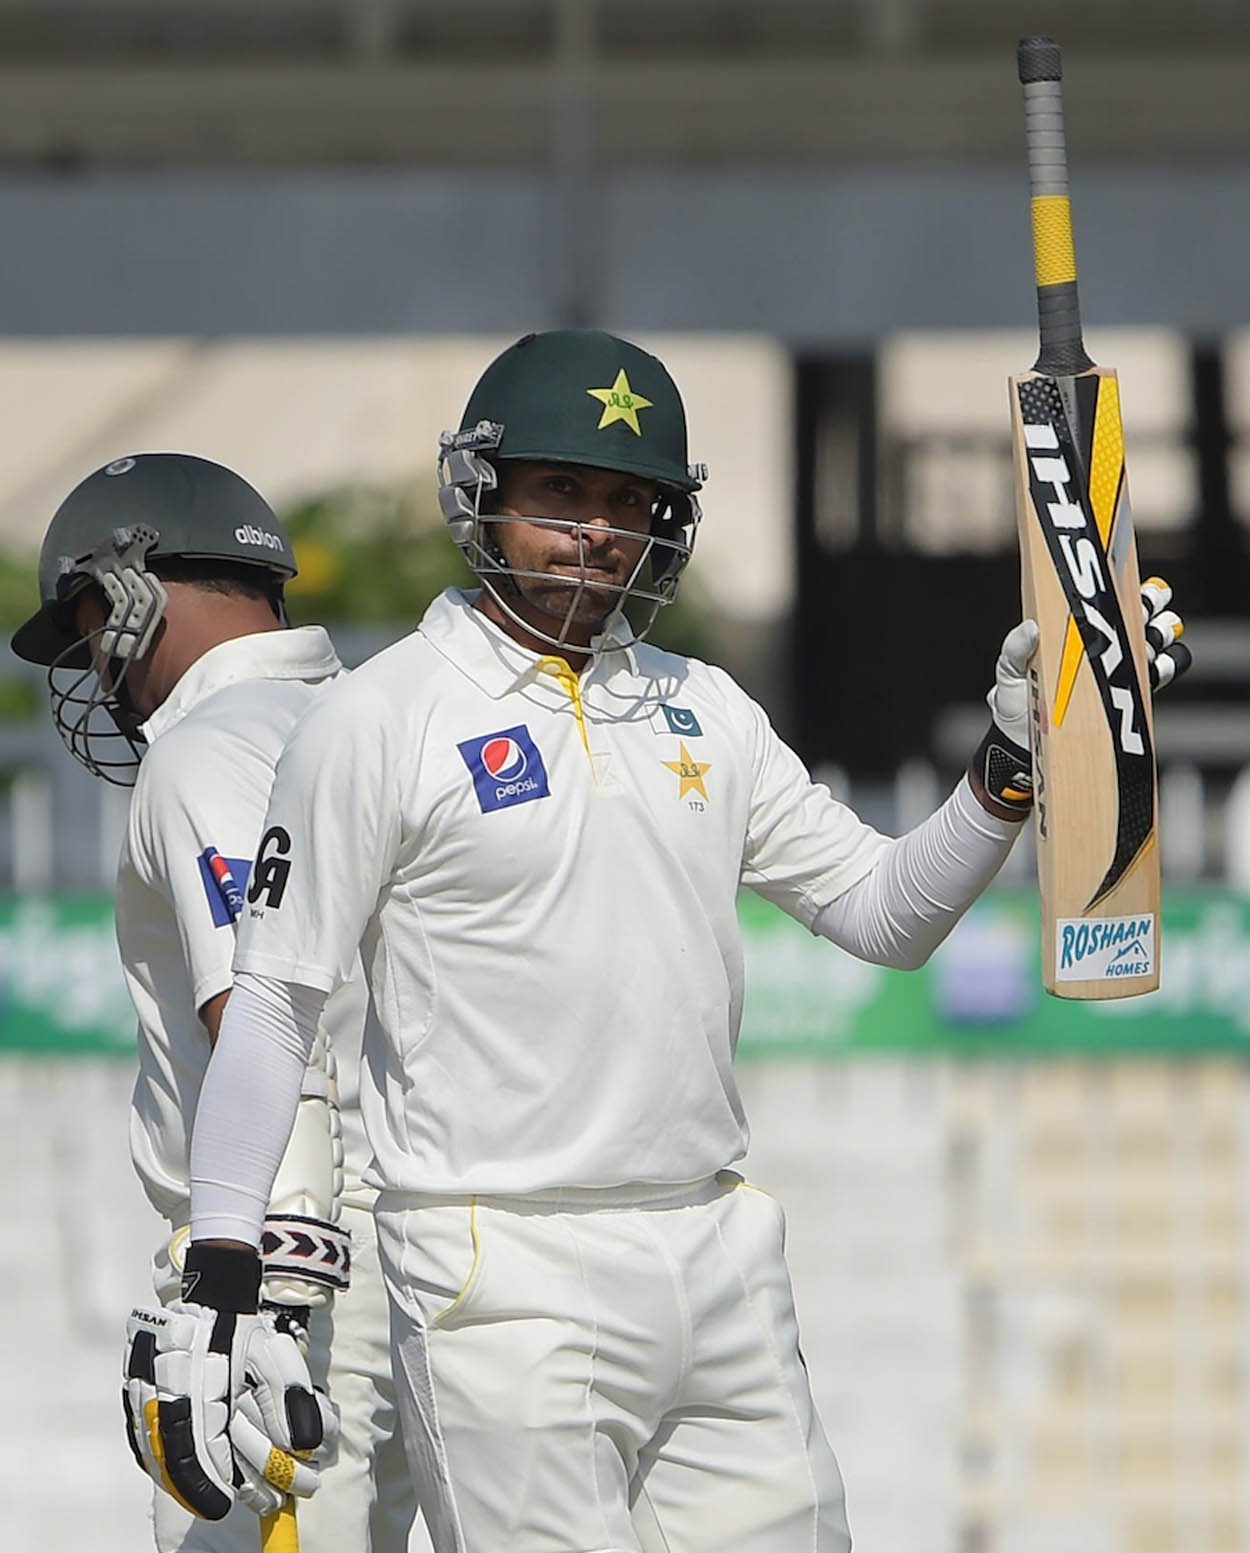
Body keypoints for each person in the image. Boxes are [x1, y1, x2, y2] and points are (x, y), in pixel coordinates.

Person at [133, 332, 1188, 1552]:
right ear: (480, 492)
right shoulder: (378, 718)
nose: (594, 530)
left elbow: (884, 913)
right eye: (561, 494)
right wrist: (222, 1267)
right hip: (497, 1267)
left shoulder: (706, 706)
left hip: (716, 1246)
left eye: (628, 502)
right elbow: (270, 1008)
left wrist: (1008, 764)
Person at [12, 453, 420, 1553]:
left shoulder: (209, 747)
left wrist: (257, 1287)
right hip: (409, 1236)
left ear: (132, 584)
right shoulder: (376, 719)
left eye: (90, 622)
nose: (96, 664)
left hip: (293, 1259)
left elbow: (263, 1012)